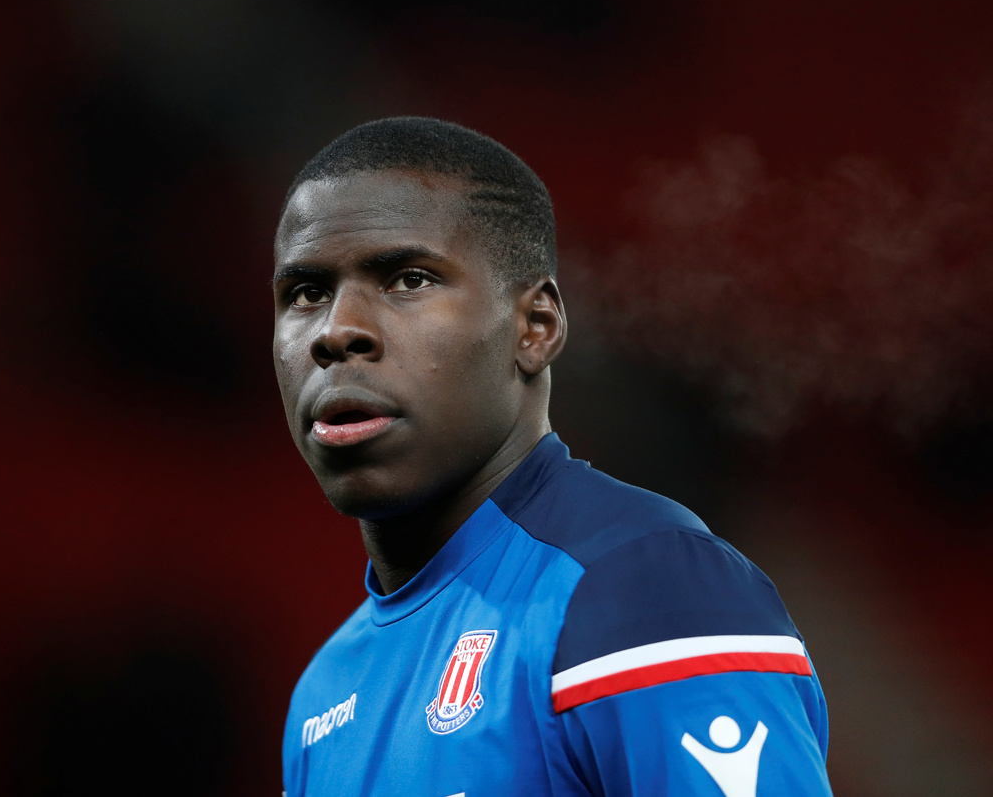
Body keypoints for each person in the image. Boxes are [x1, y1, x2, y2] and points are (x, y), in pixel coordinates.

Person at [272, 117, 831, 796]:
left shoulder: (640, 587)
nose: (337, 331)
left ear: (535, 327)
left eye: (409, 279)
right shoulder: (323, 695)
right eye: (306, 293)